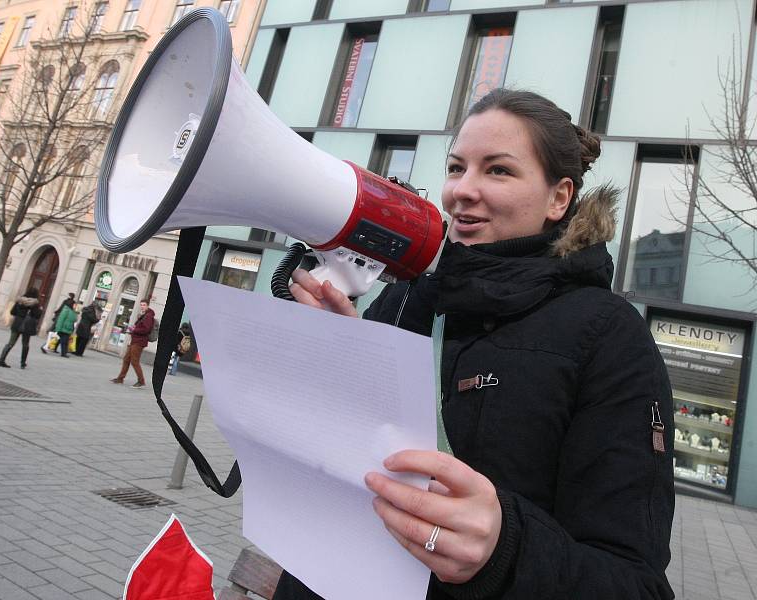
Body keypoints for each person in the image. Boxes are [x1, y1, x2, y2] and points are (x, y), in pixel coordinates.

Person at [281, 89, 675, 599]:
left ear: (559, 198)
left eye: (498, 171)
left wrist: (504, 552)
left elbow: (636, 584)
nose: (461, 191)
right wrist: (336, 354)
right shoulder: (407, 298)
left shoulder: (610, 337)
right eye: (456, 167)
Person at [111, 299, 155, 388]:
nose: (142, 306)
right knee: (126, 359)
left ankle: (141, 381)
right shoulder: (144, 315)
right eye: (141, 305)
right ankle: (120, 378)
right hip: (135, 340)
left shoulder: (149, 316)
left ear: (147, 306)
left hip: (139, 342)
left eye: (144, 305)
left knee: (135, 361)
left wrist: (134, 330)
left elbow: (146, 330)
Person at [0, 287, 43, 369]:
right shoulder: (35, 303)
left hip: (17, 324)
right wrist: (40, 310)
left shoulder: (20, 301)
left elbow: (12, 312)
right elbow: (37, 315)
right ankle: (22, 363)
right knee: (25, 344)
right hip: (27, 326)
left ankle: (1, 360)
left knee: (10, 343)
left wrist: (20, 313)